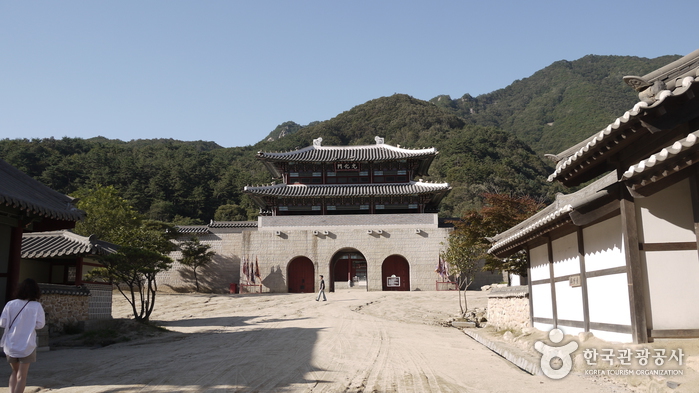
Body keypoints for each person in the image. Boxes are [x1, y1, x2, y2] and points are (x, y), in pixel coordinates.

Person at [0, 278, 45, 393]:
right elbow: (40, 325)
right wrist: (28, 324)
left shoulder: (10, 304)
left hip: (11, 343)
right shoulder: (36, 306)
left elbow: (2, 323)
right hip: (27, 344)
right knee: (22, 376)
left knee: (14, 372)